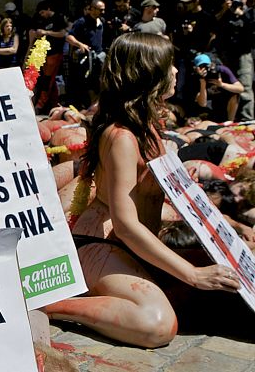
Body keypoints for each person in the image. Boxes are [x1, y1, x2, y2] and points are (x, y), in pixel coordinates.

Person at [46, 33, 240, 348]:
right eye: (170, 66)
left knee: (224, 284)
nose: (177, 72)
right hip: (100, 244)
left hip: (133, 247)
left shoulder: (148, 128)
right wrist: (192, 273)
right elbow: (125, 224)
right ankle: (51, 306)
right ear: (149, 75)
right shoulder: (121, 136)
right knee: (157, 324)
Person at [29, 0, 69, 113]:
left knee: (48, 79)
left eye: (43, 12)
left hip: (55, 52)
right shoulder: (42, 20)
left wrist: (47, 32)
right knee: (46, 80)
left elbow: (63, 34)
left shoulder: (59, 18)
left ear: (48, 9)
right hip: (43, 52)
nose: (42, 15)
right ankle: (53, 103)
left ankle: (40, 104)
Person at [66, 0, 105, 109]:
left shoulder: (101, 21)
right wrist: (80, 44)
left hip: (98, 57)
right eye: (100, 10)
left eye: (103, 10)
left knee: (97, 82)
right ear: (92, 9)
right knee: (86, 83)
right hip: (85, 59)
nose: (102, 12)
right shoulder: (81, 22)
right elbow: (69, 37)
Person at [187, 53, 243, 122]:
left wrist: (222, 84)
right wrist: (202, 82)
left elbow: (240, 89)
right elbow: (202, 104)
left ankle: (230, 121)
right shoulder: (194, 78)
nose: (205, 69)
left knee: (235, 94)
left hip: (224, 102)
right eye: (201, 67)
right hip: (208, 107)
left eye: (206, 66)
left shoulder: (221, 70)